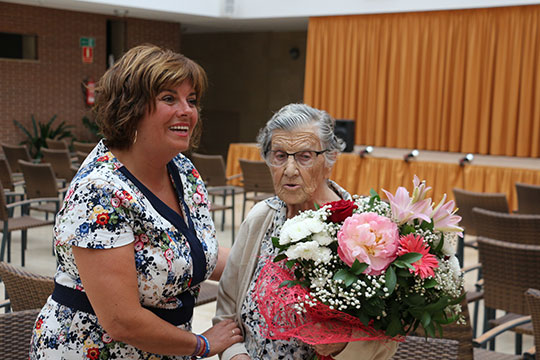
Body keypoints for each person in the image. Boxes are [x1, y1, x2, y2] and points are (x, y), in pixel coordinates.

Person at [30, 44, 242, 359]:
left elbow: (196, 251)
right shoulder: (100, 192)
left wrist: (273, 266)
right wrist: (203, 344)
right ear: (131, 107)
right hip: (96, 350)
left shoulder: (182, 170)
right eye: (169, 98)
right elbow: (122, 321)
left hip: (165, 349)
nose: (187, 110)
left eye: (192, 100)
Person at [213, 103, 398, 360]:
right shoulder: (260, 219)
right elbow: (226, 312)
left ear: (330, 159)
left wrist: (342, 347)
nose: (289, 170)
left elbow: (386, 340)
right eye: (279, 155)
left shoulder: (365, 232)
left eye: (304, 156)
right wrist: (236, 356)